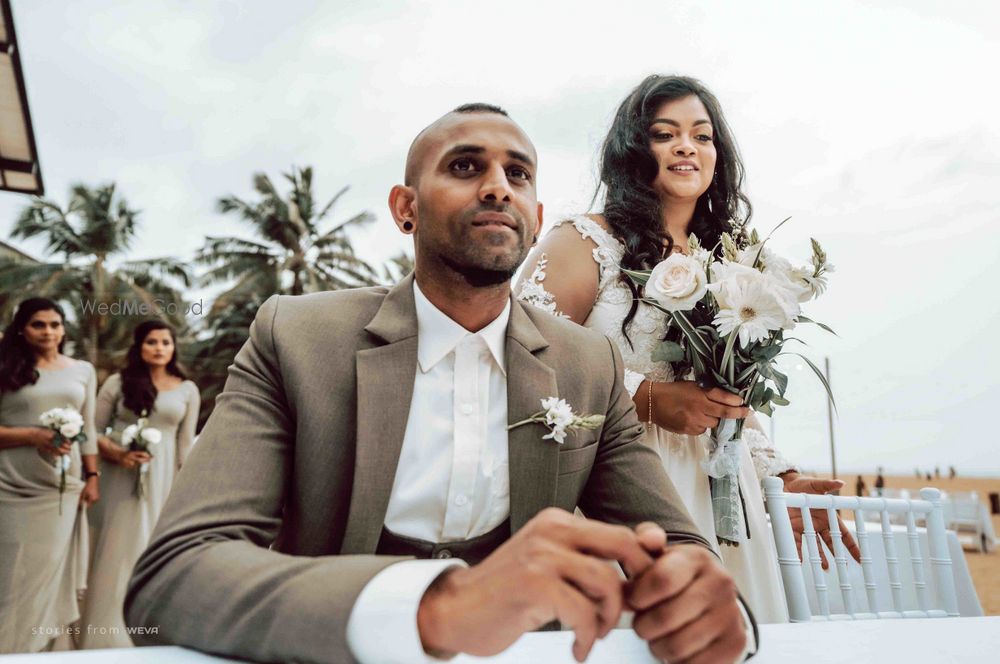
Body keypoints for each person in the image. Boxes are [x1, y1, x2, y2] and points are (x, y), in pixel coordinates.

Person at [125, 104, 756, 664]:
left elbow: (676, 543)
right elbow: (173, 575)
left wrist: (699, 593)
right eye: (463, 167)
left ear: (536, 219)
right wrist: (437, 608)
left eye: (517, 174)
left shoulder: (589, 363)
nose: (496, 188)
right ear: (405, 209)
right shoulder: (297, 339)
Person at [515, 75, 858, 623]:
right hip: (618, 475)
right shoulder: (586, 242)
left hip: (719, 483)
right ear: (633, 150)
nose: (685, 147)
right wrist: (647, 397)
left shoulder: (734, 259)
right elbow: (526, 349)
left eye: (702, 136)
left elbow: (727, 396)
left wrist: (779, 477)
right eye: (664, 134)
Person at [80, 320, 200, 648]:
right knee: (116, 548)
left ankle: (145, 629)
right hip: (118, 476)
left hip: (163, 481)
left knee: (148, 548)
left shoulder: (187, 389)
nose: (159, 348)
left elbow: (185, 444)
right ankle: (101, 636)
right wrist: (118, 454)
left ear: (173, 347)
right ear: (139, 347)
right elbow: (91, 431)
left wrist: (186, 489)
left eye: (165, 342)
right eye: (151, 342)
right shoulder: (119, 383)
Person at [0, 298, 99, 653]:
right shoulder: (4, 366)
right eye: (38, 324)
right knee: (10, 575)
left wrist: (92, 475)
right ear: (22, 329)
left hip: (60, 489)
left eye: (55, 324)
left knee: (46, 574)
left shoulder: (82, 370)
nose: (48, 332)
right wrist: (32, 435)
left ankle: (36, 652)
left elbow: (88, 426)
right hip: (9, 485)